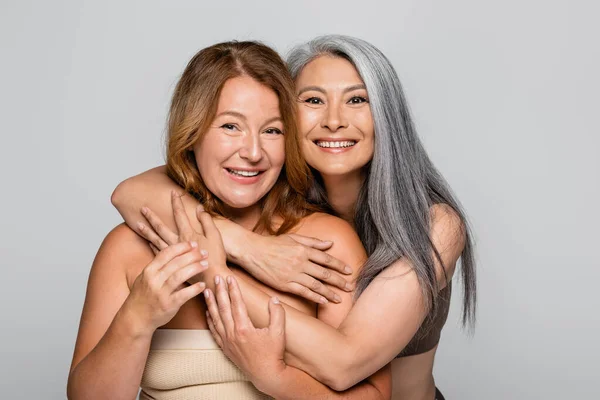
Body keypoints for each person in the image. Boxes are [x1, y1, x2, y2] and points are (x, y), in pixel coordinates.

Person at [113, 35, 476, 400]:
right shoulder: (266, 184)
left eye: (357, 100)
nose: (334, 121)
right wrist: (246, 246)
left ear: (387, 115)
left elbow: (345, 362)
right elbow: (131, 193)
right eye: (314, 100)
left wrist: (215, 273)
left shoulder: (435, 225)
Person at [68, 40, 390, 400]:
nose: (252, 152)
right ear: (192, 134)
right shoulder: (128, 248)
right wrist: (137, 319)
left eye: (272, 131)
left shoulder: (325, 245)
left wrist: (274, 377)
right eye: (230, 127)